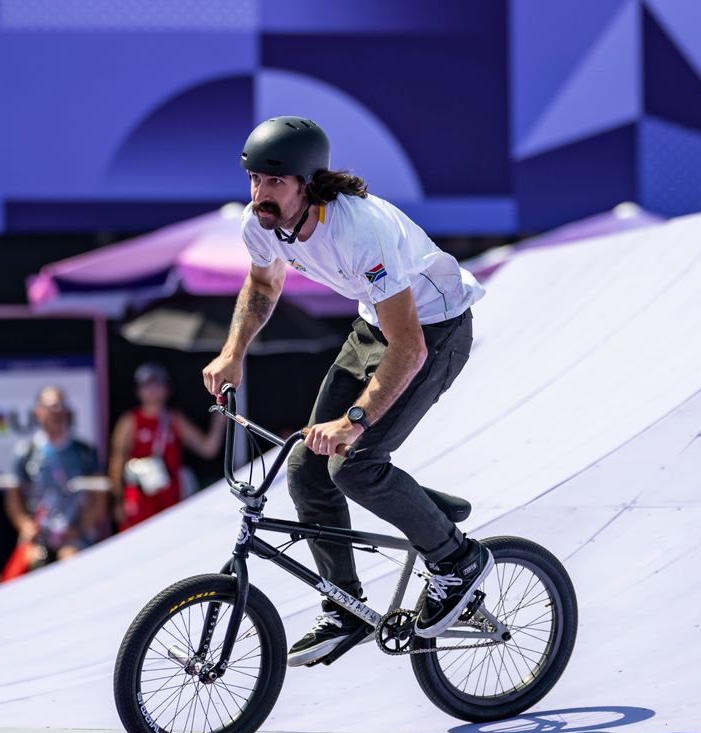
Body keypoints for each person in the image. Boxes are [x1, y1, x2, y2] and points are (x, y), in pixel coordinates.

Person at [202, 116, 490, 666]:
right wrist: (233, 351)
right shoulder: (259, 223)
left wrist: (352, 422)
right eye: (255, 180)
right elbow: (264, 283)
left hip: (437, 330)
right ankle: (345, 607)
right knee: (306, 469)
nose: (262, 193)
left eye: (276, 182)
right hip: (373, 328)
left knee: (354, 463)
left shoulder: (362, 231)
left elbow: (409, 348)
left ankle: (457, 562)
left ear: (307, 185)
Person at [110, 362, 224, 530]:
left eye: (158, 384)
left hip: (170, 500)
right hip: (137, 499)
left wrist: (221, 417)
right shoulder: (130, 421)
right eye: (147, 385)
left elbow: (208, 448)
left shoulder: (174, 420)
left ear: (167, 389)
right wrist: (117, 499)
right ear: (138, 391)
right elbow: (117, 461)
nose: (153, 390)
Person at [5, 386, 106, 568]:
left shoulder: (84, 452)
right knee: (33, 562)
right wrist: (25, 525)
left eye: (61, 407)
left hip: (73, 534)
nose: (56, 413)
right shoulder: (26, 452)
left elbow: (98, 496)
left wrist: (82, 529)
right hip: (39, 536)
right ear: (38, 411)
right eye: (51, 407)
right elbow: (13, 497)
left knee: (71, 562)